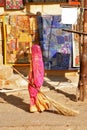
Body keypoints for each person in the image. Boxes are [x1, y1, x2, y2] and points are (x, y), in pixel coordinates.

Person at [28, 44, 50, 113]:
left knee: (33, 93)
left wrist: (33, 81)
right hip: (38, 80)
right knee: (36, 93)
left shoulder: (35, 60)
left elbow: (36, 72)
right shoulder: (39, 59)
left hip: (35, 80)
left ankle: (35, 106)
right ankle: (39, 105)